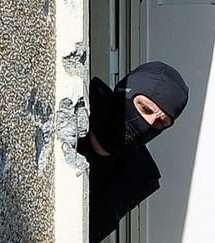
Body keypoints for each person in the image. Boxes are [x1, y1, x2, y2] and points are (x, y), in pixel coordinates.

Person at [76, 61, 189, 242]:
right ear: (125, 92)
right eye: (144, 108)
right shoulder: (74, 113)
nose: (149, 123)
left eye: (161, 123)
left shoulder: (135, 176)